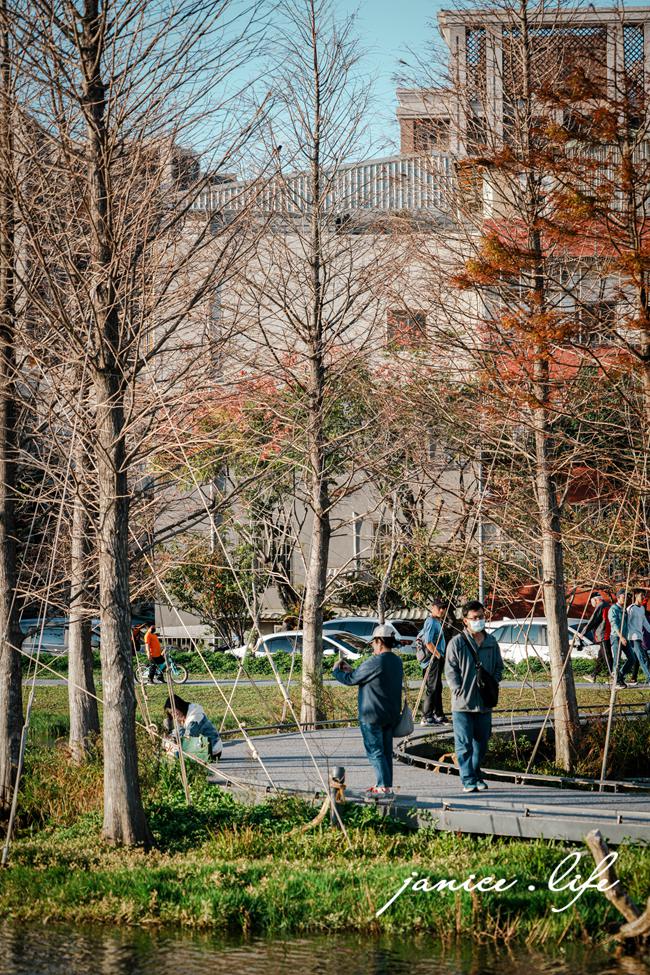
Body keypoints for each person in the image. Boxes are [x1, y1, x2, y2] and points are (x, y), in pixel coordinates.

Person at [333, 623, 403, 800]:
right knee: (386, 752)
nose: (372, 645)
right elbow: (368, 677)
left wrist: (337, 672)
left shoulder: (375, 661)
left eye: (373, 642)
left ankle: (382, 786)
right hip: (390, 714)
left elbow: (351, 680)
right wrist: (354, 670)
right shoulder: (397, 661)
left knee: (375, 751)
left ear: (379, 642)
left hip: (372, 714)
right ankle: (385, 785)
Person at [444, 600, 504, 794]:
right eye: (474, 618)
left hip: (485, 703)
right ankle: (468, 779)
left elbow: (499, 667)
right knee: (464, 744)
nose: (478, 620)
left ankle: (476, 773)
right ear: (465, 620)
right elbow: (450, 669)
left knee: (482, 743)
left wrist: (494, 682)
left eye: (481, 617)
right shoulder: (457, 643)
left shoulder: (491, 642)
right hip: (462, 703)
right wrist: (457, 689)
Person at [163, 694, 223, 760]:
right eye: (171, 713)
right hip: (200, 746)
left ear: (179, 706)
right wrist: (170, 738)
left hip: (212, 749)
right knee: (169, 747)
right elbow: (179, 733)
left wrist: (173, 744)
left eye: (174, 711)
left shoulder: (194, 717)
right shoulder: (182, 716)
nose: (173, 714)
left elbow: (187, 740)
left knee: (176, 754)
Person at [419, 598, 448, 726]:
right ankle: (427, 716)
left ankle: (439, 714)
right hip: (433, 659)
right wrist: (438, 656)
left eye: (443, 608)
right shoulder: (431, 621)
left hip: (436, 658)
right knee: (432, 687)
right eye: (439, 607)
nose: (442, 610)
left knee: (437, 687)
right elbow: (428, 642)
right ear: (433, 607)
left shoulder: (437, 621)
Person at [582, 593, 612, 683]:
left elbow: (593, 620)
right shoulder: (607, 605)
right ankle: (593, 675)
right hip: (607, 633)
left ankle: (613, 677)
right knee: (601, 657)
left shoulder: (600, 606)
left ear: (595, 600)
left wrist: (583, 632)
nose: (592, 604)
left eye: (592, 602)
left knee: (607, 656)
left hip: (603, 634)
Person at [609, 590, 634, 689]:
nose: (625, 599)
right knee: (617, 659)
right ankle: (617, 682)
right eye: (623, 597)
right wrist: (621, 636)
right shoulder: (613, 609)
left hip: (625, 638)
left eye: (626, 597)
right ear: (618, 597)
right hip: (616, 637)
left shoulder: (624, 610)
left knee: (632, 659)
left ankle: (620, 676)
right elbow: (614, 624)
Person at [626, 589, 650, 685]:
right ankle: (649, 677)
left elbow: (645, 622)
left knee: (633, 659)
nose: (643, 597)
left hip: (639, 636)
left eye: (644, 596)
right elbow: (626, 623)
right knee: (642, 657)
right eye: (641, 595)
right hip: (633, 637)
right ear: (635, 595)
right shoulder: (631, 608)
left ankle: (619, 675)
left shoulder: (642, 609)